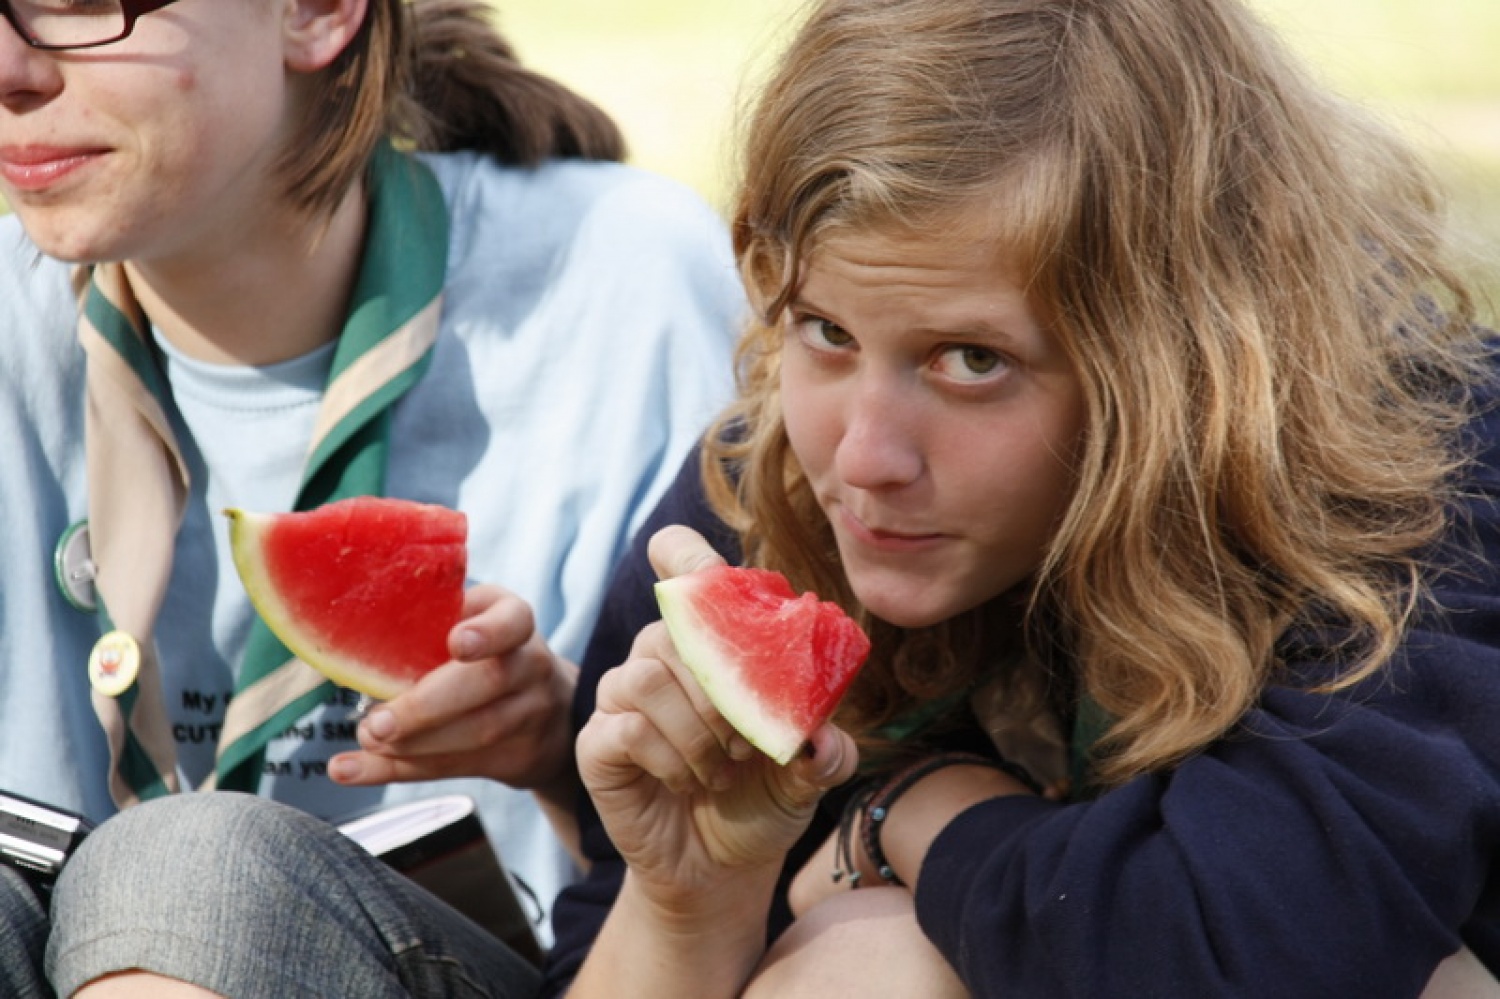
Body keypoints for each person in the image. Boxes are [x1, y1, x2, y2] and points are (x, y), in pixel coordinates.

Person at [541, 0, 1500, 995]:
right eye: (825, 330)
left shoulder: (1426, 481)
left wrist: (909, 805)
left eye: (970, 360)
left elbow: (1243, 953)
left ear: (1179, 364)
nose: (865, 460)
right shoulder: (755, 501)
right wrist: (692, 902)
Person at [0, 0, 741, 993]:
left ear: (314, 13)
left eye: (79, 1)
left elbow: (758, 835)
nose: (9, 66)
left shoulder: (625, 280)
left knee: (185, 869)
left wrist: (561, 746)